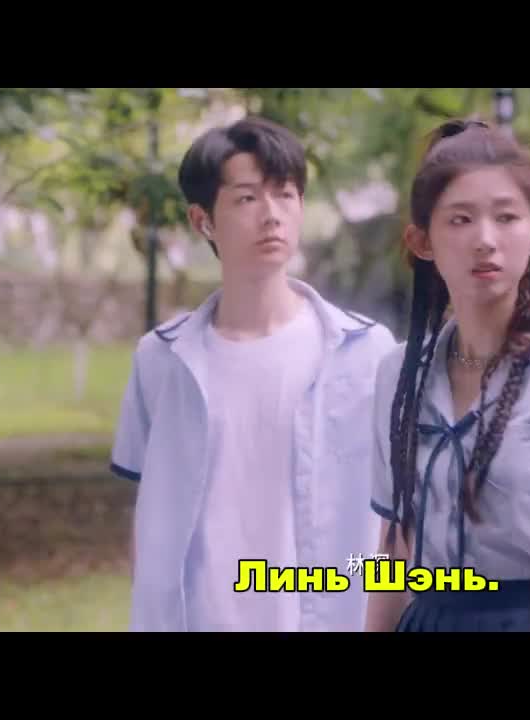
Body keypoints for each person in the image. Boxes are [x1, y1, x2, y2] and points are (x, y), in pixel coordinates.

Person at [109, 116, 396, 632]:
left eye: (285, 195)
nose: (271, 215)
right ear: (203, 221)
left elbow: (397, 523)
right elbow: (146, 514)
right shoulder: (161, 360)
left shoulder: (367, 353)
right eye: (246, 198)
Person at [362, 119, 530, 632]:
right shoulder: (398, 374)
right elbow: (394, 552)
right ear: (422, 241)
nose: (485, 240)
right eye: (460, 220)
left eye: (506, 217)